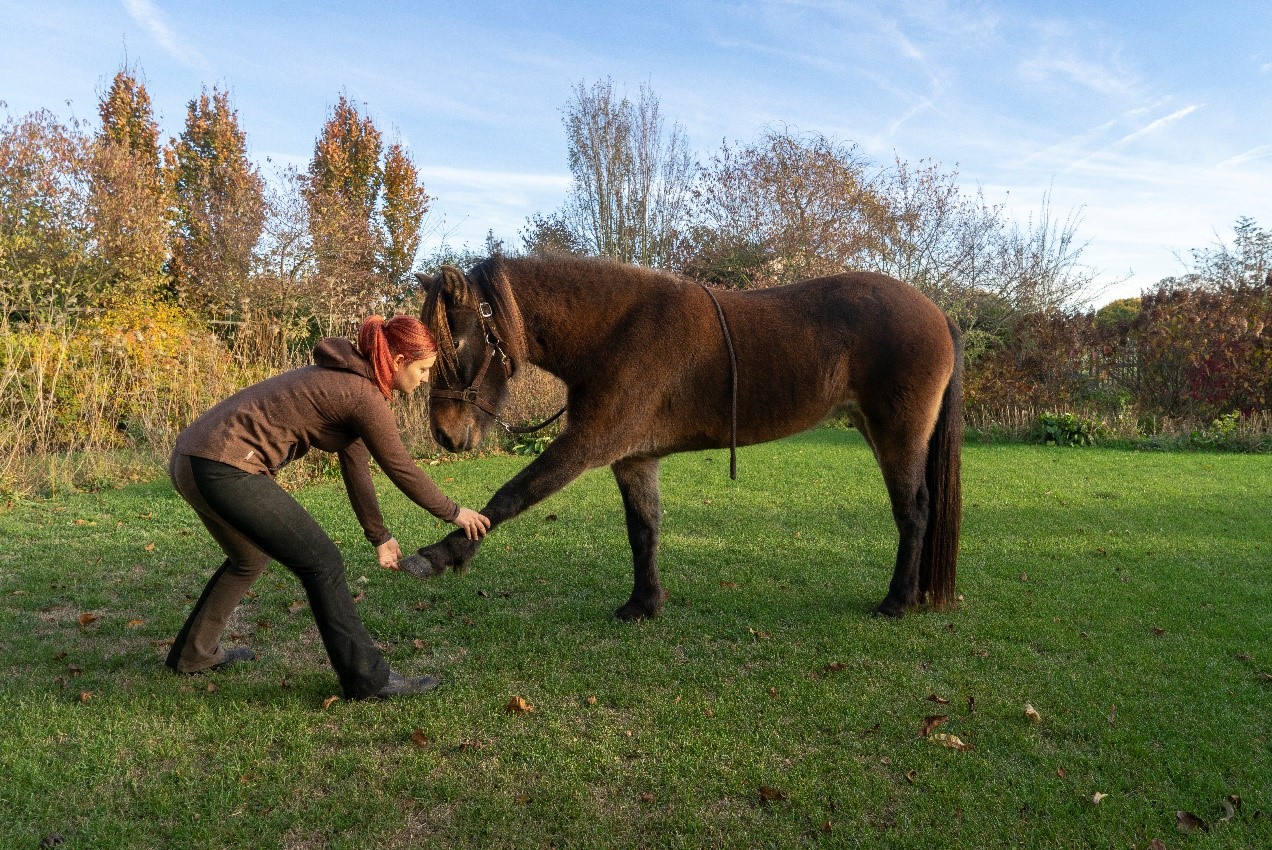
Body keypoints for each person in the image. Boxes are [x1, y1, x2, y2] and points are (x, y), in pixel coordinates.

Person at [166, 314, 489, 700]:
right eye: (422, 370)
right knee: (322, 562)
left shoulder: (349, 383)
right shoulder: (362, 395)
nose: (423, 381)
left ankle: (194, 654)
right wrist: (455, 512)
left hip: (192, 460)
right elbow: (401, 467)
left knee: (248, 558)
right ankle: (368, 680)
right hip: (224, 466)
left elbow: (356, 465)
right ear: (400, 360)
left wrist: (379, 535)